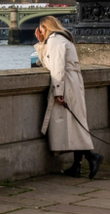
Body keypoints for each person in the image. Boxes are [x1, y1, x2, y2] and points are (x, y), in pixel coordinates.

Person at [35, 16, 102, 179]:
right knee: (74, 124)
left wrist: (58, 91)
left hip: (66, 85)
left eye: (41, 29)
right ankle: (77, 166)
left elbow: (56, 67)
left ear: (46, 27)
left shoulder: (55, 41)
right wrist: (41, 42)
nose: (40, 32)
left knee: (72, 125)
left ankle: (92, 157)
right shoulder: (62, 39)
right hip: (73, 83)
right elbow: (48, 62)